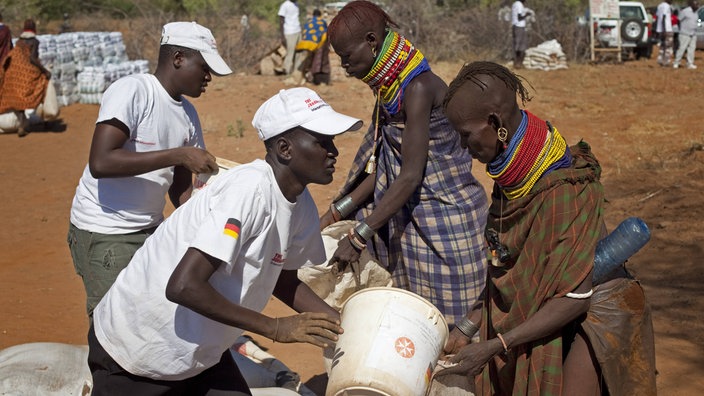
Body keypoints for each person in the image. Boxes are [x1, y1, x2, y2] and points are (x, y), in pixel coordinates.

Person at [88, 87, 361, 394]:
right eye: (322, 142)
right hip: (139, 350)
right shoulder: (248, 192)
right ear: (285, 148)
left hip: (198, 352)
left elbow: (281, 276)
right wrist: (276, 328)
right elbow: (183, 285)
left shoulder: (301, 206)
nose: (334, 151)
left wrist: (342, 323)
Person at [436, 61, 656, 395]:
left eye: (465, 135)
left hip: (595, 309)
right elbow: (504, 263)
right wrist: (466, 328)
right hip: (548, 308)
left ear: (495, 124)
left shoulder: (561, 188)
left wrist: (497, 344)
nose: (464, 147)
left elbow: (575, 297)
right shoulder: (511, 174)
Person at [322, 1, 489, 325]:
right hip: (411, 219)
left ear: (371, 41)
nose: (344, 66)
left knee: (452, 327)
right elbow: (387, 167)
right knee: (416, 322)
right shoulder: (390, 89)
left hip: (447, 223)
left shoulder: (418, 88)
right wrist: (335, 212)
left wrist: (359, 236)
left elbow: (410, 175)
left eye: (347, 56)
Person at [67, 21, 231, 317]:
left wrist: (207, 220)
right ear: (178, 58)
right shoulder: (133, 91)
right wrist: (178, 155)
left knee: (154, 315)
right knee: (114, 322)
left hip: (150, 229)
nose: (209, 77)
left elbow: (180, 188)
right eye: (204, 67)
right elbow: (101, 162)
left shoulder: (188, 115)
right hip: (106, 230)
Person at [0, 19, 52, 137]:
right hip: (27, 72)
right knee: (42, 85)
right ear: (34, 29)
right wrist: (44, 71)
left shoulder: (19, 41)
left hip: (15, 72)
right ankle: (45, 118)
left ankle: (22, 125)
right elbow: (33, 59)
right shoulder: (34, 41)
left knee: (19, 100)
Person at [296, 9, 331, 85]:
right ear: (320, 15)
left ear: (313, 15)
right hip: (319, 44)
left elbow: (305, 33)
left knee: (311, 60)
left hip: (307, 44)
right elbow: (325, 33)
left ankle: (310, 78)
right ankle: (319, 80)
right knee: (319, 61)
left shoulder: (309, 22)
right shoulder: (322, 22)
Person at [278, 0, 302, 76]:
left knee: (299, 52)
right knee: (290, 52)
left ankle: (296, 72)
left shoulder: (296, 4)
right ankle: (287, 71)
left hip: (298, 30)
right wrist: (282, 36)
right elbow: (281, 21)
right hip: (289, 32)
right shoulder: (285, 5)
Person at [673, 0, 699, 69]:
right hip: (684, 33)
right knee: (682, 48)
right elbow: (678, 20)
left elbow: (696, 21)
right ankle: (676, 62)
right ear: (691, 4)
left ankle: (690, 63)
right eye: (696, 4)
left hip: (693, 33)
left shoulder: (696, 12)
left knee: (692, 49)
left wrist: (697, 26)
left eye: (697, 5)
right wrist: (680, 29)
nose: (697, 6)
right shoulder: (685, 11)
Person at [511, 0, 533, 69]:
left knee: (517, 44)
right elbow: (519, 17)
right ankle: (517, 63)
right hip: (519, 26)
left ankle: (518, 62)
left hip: (516, 26)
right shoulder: (519, 4)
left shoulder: (515, 4)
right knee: (520, 45)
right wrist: (527, 14)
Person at [656, 0, 674, 66]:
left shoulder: (659, 6)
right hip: (667, 29)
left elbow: (658, 17)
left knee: (662, 46)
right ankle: (666, 61)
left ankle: (660, 60)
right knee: (668, 46)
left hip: (660, 29)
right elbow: (664, 17)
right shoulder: (666, 6)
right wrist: (665, 30)